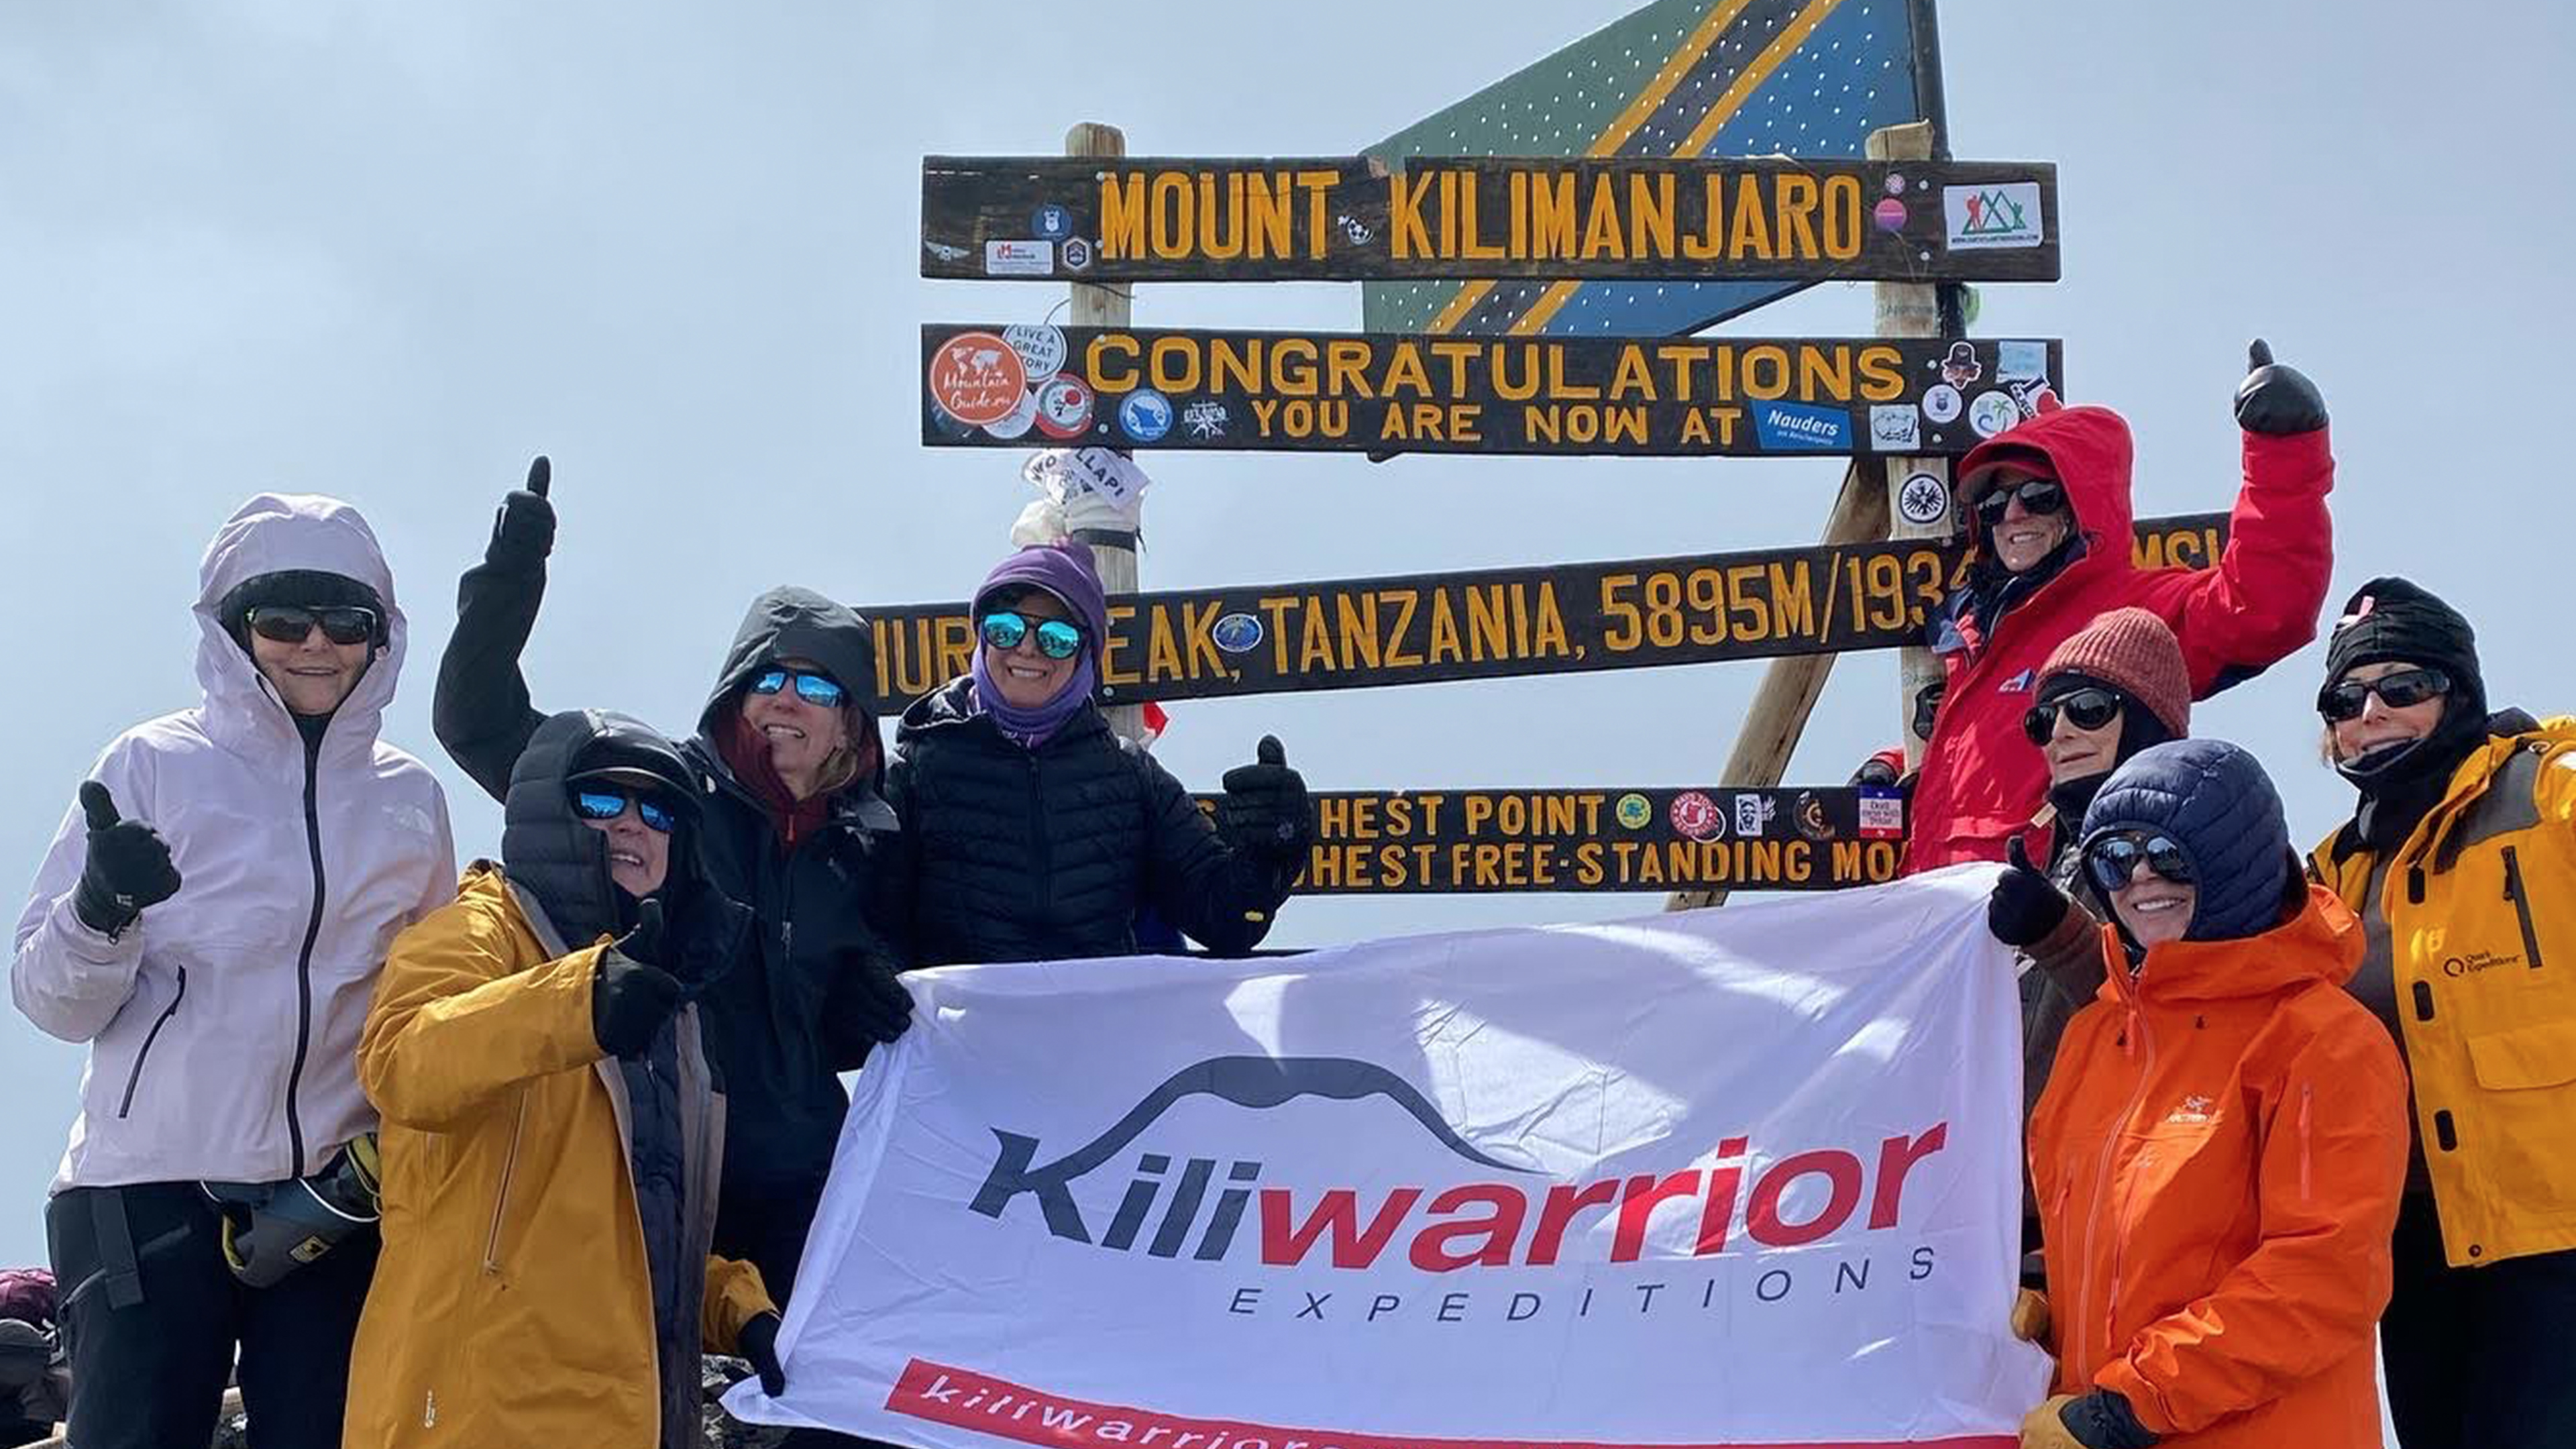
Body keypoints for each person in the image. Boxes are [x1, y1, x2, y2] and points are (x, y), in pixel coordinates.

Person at [11, 494, 455, 1449]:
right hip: (145, 1190)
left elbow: (430, 1005)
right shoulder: (152, 763)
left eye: (347, 620)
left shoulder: (411, 798)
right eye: (282, 616)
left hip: (333, 1198)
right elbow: (50, 1000)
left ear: (383, 638)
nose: (316, 644)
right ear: (231, 626)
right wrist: (103, 908)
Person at [433, 460, 910, 1328]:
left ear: (851, 719)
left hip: (815, 1188)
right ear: (734, 694)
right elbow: (478, 724)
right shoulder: (656, 800)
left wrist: (867, 988)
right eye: (767, 678)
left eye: (816, 685)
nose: (785, 702)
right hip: (666, 1164)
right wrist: (510, 578)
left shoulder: (869, 847)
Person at [347, 710, 785, 1448]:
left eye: (660, 809)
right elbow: (402, 1062)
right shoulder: (479, 931)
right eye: (602, 799)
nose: (633, 824)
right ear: (551, 811)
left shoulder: (668, 1009)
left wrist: (733, 1305)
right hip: (474, 1415)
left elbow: (625, 1222)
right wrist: (577, 1001)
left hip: (625, 1417)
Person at [2016, 739, 2406, 1449]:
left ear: (2234, 862)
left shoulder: (2324, 1040)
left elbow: (2323, 1278)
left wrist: (2133, 1405)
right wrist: (2042, 1297)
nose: (2139, 879)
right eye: (2114, 858)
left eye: (2166, 855)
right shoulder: (2098, 1035)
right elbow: (2103, 1239)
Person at [2304, 578, 2576, 1448]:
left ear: (2458, 692)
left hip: (2554, 1231)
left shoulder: (2545, 793)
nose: (2372, 710)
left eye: (2404, 687)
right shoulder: (2328, 878)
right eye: (2349, 698)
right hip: (2416, 1245)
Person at [1892, 342, 2335, 873]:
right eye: (1993, 504)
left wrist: (2282, 450)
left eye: (2038, 495)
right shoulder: (1982, 632)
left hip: (2057, 919)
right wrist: (1896, 762)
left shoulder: (2127, 614)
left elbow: (2264, 607)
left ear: (2084, 503)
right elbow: (1989, 762)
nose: (2012, 514)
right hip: (1949, 925)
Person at [877, 541, 1311, 966]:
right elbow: (868, 910)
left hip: (1094, 1032)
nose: (1027, 648)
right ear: (981, 637)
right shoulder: (915, 765)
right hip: (959, 1034)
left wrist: (1269, 857)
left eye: (1058, 637)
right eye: (1005, 628)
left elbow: (1225, 920)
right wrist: (869, 976)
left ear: (1087, 653)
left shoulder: (1131, 776)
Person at [1985, 607, 2193, 1116]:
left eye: (2088, 708)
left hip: (2138, 1172)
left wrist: (2059, 935)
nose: (2059, 732)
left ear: (2147, 721)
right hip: (2040, 1184)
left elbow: (2181, 1019)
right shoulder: (2058, 861)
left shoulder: (2188, 849)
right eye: (2043, 719)